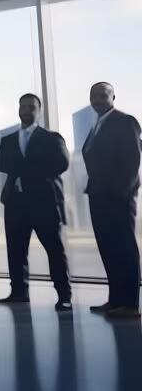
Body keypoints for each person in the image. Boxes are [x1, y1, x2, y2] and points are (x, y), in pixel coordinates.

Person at [0, 93, 72, 312]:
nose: (26, 109)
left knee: (55, 250)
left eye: (31, 106)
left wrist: (27, 170)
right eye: (23, 106)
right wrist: (31, 167)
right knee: (16, 250)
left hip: (44, 203)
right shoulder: (8, 140)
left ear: (39, 110)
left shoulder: (51, 138)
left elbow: (62, 164)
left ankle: (64, 295)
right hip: (15, 202)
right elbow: (3, 164)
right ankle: (19, 292)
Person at [82, 82, 141, 318]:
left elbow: (132, 161)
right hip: (98, 196)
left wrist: (120, 193)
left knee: (124, 249)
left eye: (102, 94)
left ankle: (129, 304)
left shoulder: (125, 121)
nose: (97, 98)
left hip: (118, 197)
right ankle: (115, 299)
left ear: (113, 96)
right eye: (93, 95)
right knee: (108, 249)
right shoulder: (97, 125)